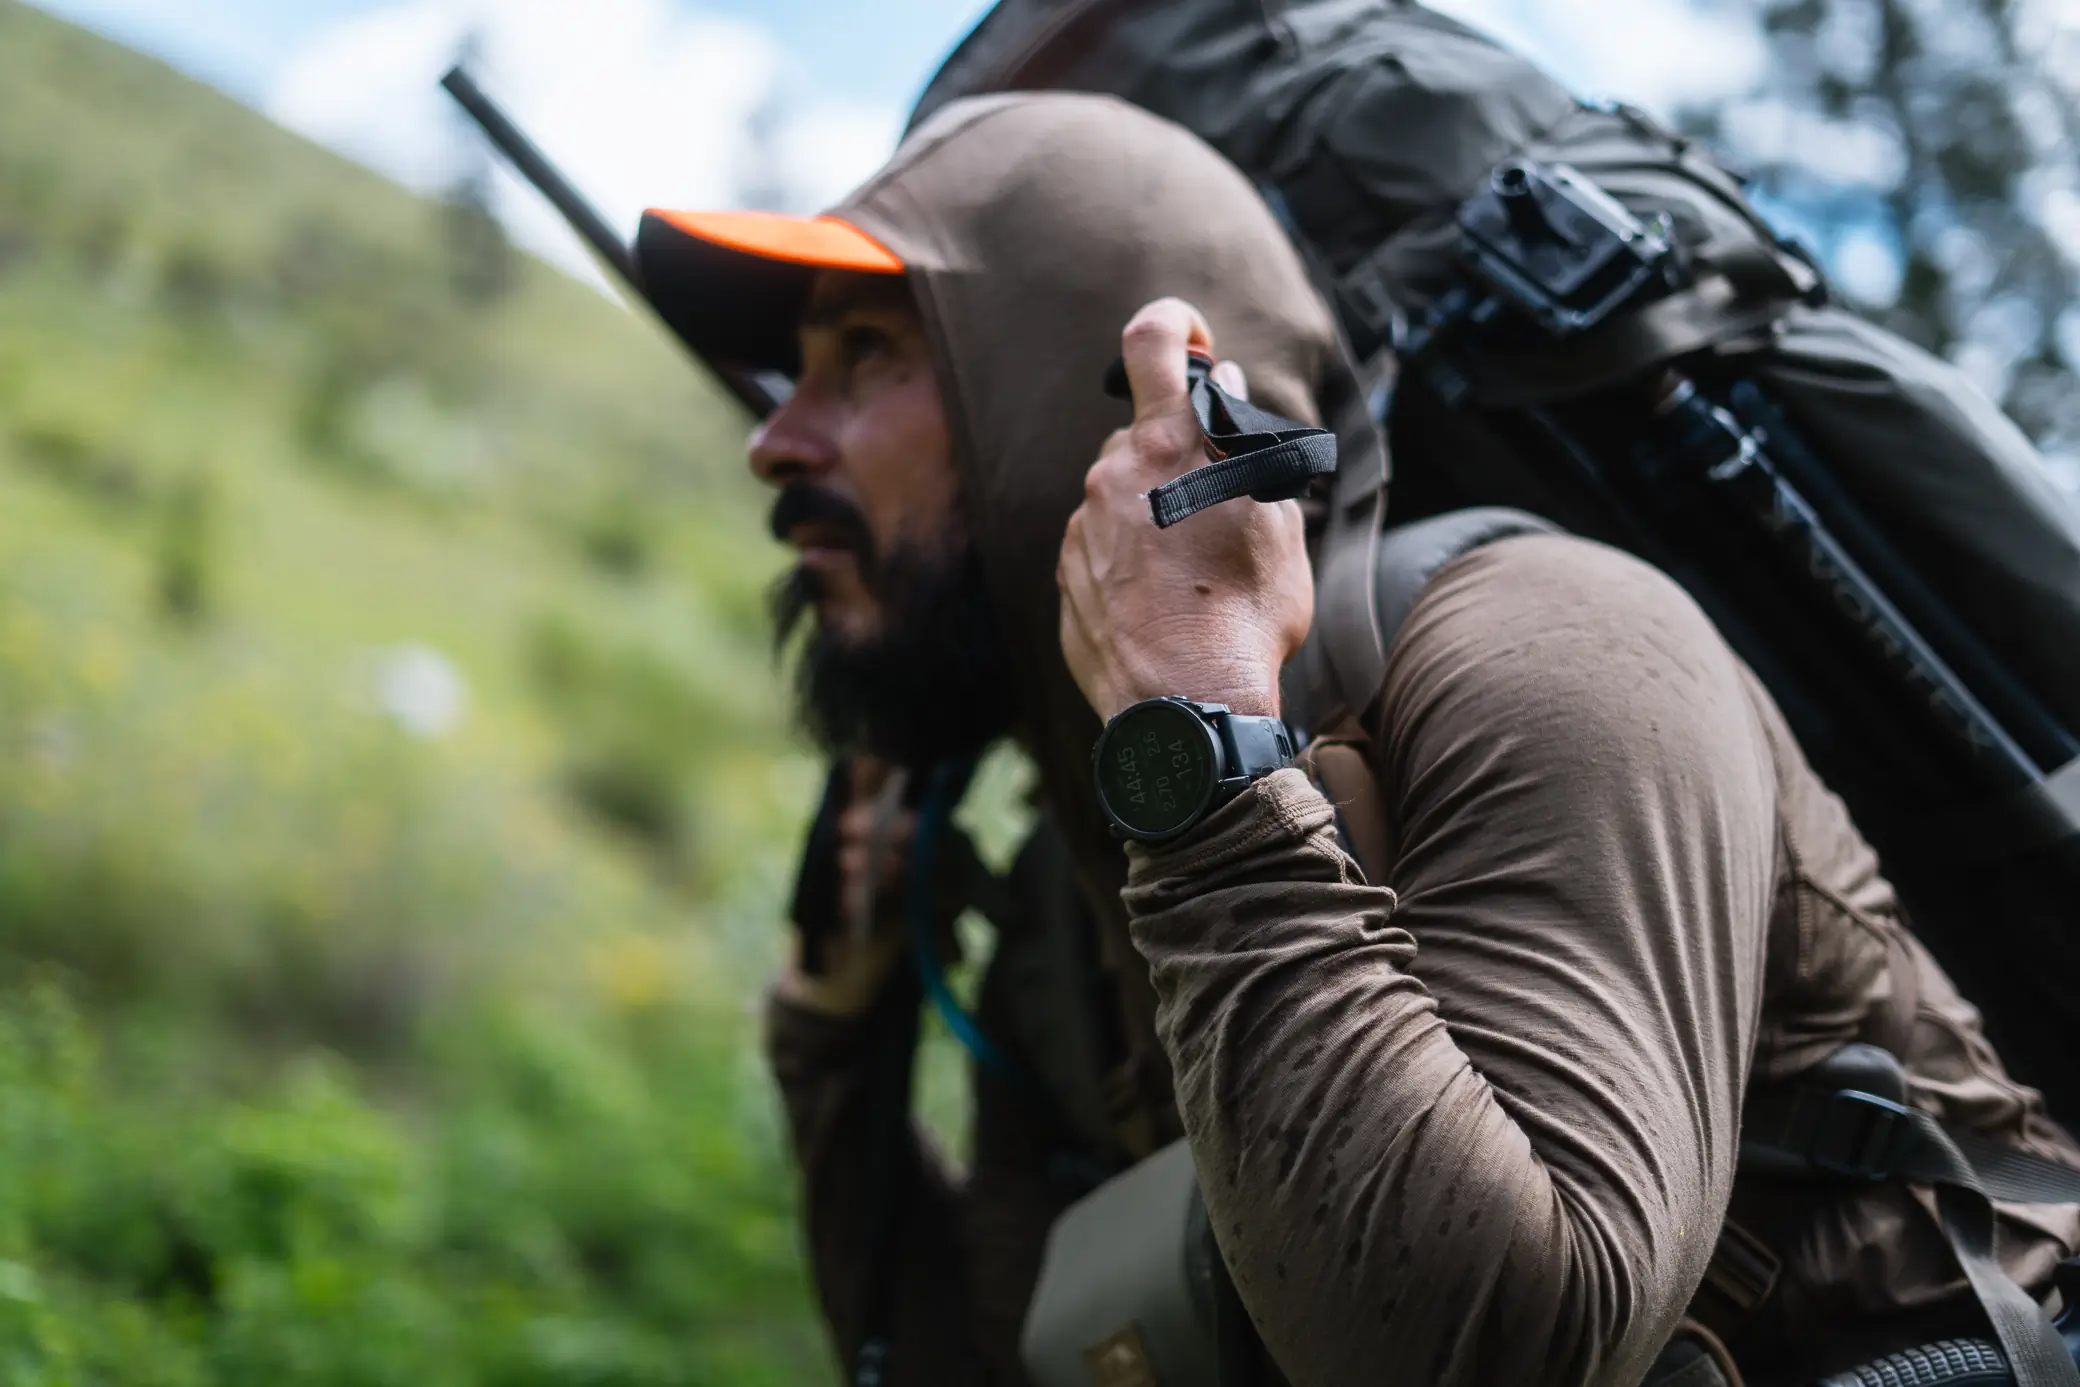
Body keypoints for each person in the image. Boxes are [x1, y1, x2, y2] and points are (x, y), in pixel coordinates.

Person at [634, 93, 2080, 1386]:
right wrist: (835, 1038)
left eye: (864, 356)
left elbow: (1503, 1350)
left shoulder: (1546, 644)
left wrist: (1197, 743)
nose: (776, 440)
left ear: (1094, 392)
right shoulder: (1068, 920)